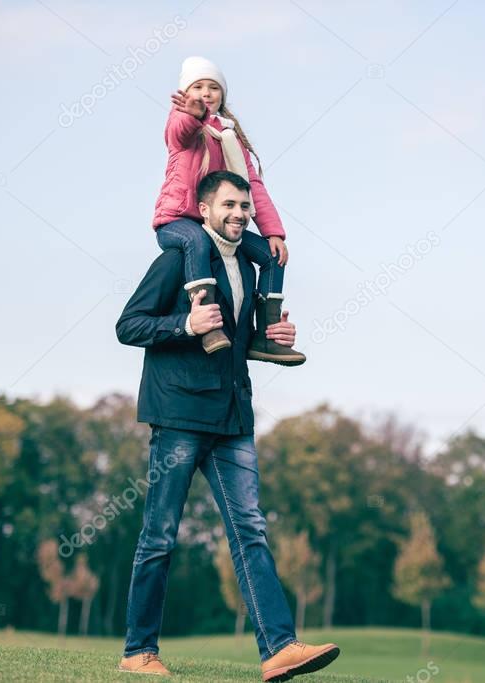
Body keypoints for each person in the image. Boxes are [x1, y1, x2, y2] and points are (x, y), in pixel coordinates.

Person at [116, 171, 339, 680]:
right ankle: (138, 652)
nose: (240, 214)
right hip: (178, 417)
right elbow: (129, 325)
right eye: (229, 205)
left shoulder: (251, 267)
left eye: (245, 206)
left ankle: (279, 649)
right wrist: (184, 324)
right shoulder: (178, 259)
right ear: (204, 209)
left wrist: (273, 333)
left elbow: (244, 341)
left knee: (251, 530)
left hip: (233, 417)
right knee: (160, 536)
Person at [153, 55, 306, 366]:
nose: (206, 93)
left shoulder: (229, 134)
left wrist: (273, 232)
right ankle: (209, 324)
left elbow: (252, 186)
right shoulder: (182, 123)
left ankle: (264, 335)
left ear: (222, 95)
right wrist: (193, 116)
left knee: (272, 256)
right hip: (178, 220)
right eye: (198, 87)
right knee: (196, 242)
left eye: (213, 88)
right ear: (186, 93)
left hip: (216, 224)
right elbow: (178, 133)